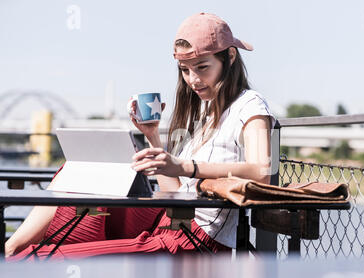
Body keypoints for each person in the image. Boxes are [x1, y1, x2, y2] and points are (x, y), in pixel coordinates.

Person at [5, 12, 276, 260]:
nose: (192, 79)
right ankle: (13, 248)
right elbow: (174, 192)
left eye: (202, 67)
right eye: (185, 70)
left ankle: (16, 255)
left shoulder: (250, 104)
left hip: (195, 240)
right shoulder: (207, 114)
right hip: (169, 222)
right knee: (81, 172)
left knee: (44, 259)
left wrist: (186, 166)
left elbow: (262, 171)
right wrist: (152, 136)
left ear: (229, 57)